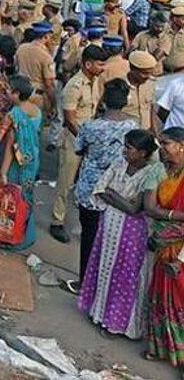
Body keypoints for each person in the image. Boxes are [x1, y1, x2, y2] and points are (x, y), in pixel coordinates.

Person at [77, 129, 163, 339]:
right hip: (109, 226)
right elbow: (100, 190)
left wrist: (113, 195)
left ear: (142, 153)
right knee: (104, 266)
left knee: (125, 274)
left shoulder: (152, 172)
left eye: (129, 148)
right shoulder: (119, 164)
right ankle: (99, 313)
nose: (124, 151)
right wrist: (121, 200)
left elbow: (136, 209)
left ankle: (118, 322)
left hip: (132, 231)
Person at [69, 79, 138, 294]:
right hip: (118, 189)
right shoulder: (132, 126)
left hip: (90, 187)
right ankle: (105, 286)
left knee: (89, 237)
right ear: (125, 101)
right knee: (111, 238)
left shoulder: (91, 126)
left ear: (104, 100)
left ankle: (84, 283)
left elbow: (78, 150)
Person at [51, 44, 109, 244]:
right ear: (88, 64)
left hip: (89, 137)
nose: (103, 68)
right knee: (65, 181)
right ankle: (57, 221)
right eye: (100, 64)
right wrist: (84, 140)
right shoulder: (74, 86)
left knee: (84, 179)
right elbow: (70, 118)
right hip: (75, 139)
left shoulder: (95, 81)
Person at [144, 126, 184, 367]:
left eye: (166, 144)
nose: (162, 149)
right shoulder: (161, 170)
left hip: (180, 252)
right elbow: (150, 207)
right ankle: (161, 348)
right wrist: (175, 216)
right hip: (162, 244)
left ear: (181, 145)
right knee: (160, 295)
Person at [0, 75, 42, 250]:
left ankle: (11, 236)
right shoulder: (37, 110)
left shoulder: (13, 115)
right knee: (26, 195)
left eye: (8, 90)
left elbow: (8, 147)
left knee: (11, 198)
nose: (5, 92)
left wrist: (3, 172)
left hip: (15, 164)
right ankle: (27, 234)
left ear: (16, 94)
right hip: (32, 160)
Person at [15, 21, 57, 118]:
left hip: (20, 93)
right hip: (36, 96)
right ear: (46, 37)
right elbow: (49, 84)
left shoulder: (21, 48)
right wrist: (53, 105)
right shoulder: (46, 56)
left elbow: (16, 67)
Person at [123, 51, 158, 132]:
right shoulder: (120, 86)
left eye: (150, 73)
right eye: (145, 73)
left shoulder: (150, 83)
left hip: (145, 131)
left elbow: (151, 108)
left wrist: (154, 131)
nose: (148, 76)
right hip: (128, 134)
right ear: (133, 69)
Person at [131, 11, 170, 76]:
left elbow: (155, 58)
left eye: (162, 27)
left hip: (155, 73)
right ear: (151, 23)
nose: (160, 29)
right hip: (139, 73)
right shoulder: (141, 35)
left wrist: (138, 58)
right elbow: (131, 50)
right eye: (157, 26)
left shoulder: (165, 39)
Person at [165, 6, 184, 73]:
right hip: (163, 71)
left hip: (181, 72)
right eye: (183, 19)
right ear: (174, 19)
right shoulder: (163, 32)